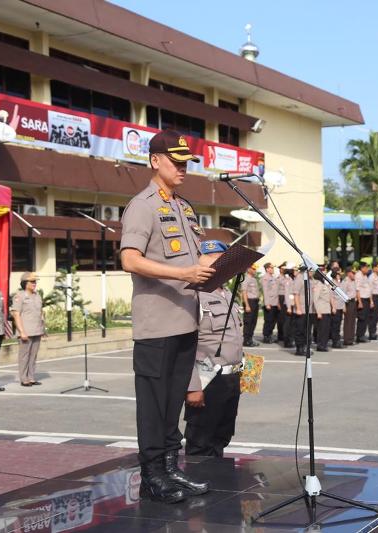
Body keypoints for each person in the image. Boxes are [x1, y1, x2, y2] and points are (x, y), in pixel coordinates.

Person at [120, 129, 213, 504]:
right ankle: (151, 476)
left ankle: (172, 468)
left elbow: (194, 261)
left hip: (185, 321)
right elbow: (130, 259)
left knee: (174, 402)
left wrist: (225, 263)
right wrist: (184, 274)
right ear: (155, 161)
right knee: (153, 405)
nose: (183, 169)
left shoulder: (184, 207)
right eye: (176, 162)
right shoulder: (142, 205)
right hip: (157, 325)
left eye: (186, 163)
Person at [184, 240, 244, 457]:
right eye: (209, 260)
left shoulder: (227, 294)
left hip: (231, 376)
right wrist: (192, 387)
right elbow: (186, 345)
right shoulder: (194, 295)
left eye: (220, 260)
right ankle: (199, 480)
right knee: (200, 439)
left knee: (222, 435)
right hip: (207, 378)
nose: (216, 266)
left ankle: (218, 484)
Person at [11, 272, 45, 387]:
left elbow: (40, 313)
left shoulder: (37, 296)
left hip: (37, 330)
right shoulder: (19, 296)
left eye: (35, 282)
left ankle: (31, 377)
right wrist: (21, 331)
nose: (34, 284)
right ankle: (24, 378)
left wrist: (43, 328)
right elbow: (16, 314)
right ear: (25, 283)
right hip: (26, 331)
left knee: (33, 356)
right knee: (24, 356)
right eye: (32, 282)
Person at [314, 266, 333, 352]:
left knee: (326, 329)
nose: (325, 273)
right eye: (323, 272)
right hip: (321, 311)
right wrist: (318, 312)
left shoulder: (324, 284)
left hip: (326, 310)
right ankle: (321, 345)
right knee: (322, 329)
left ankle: (324, 344)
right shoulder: (318, 284)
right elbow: (315, 299)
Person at [241, 264, 260, 347]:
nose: (255, 270)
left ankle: (250, 338)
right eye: (253, 269)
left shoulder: (253, 279)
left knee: (253, 321)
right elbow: (244, 292)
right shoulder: (246, 279)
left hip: (255, 301)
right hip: (249, 302)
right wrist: (247, 305)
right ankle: (246, 340)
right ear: (248, 269)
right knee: (248, 322)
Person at [260, 262, 279, 343]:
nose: (273, 269)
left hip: (274, 303)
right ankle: (266, 336)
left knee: (273, 321)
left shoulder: (273, 277)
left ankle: (270, 335)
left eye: (273, 267)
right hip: (269, 303)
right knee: (268, 321)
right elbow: (265, 291)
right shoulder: (265, 278)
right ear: (267, 269)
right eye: (271, 268)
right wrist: (267, 303)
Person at [355, 262, 372, 343]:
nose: (367, 269)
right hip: (362, 299)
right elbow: (357, 289)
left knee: (366, 318)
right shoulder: (358, 275)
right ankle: (359, 336)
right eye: (366, 268)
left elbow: (368, 288)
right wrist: (359, 302)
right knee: (362, 318)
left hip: (366, 299)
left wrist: (371, 300)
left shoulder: (365, 275)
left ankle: (362, 334)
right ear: (362, 268)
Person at [292, 265, 307, 355]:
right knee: (299, 330)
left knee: (304, 330)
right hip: (300, 309)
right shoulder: (299, 279)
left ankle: (303, 347)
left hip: (306, 309)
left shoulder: (305, 279)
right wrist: (298, 308)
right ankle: (299, 349)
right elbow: (296, 295)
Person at [368, 262, 378, 341]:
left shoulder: (377, 277)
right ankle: (372, 333)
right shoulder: (371, 277)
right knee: (373, 316)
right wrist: (371, 301)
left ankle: (374, 332)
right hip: (373, 297)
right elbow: (369, 290)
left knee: (377, 314)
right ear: (374, 268)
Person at [341, 268, 357, 346]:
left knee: (353, 321)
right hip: (348, 303)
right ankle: (347, 339)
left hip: (353, 302)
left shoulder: (353, 281)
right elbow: (342, 294)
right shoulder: (345, 282)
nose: (354, 274)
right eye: (353, 273)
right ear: (348, 273)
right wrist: (343, 306)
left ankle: (351, 338)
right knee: (348, 322)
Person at [330, 270, 345, 349]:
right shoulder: (332, 283)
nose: (340, 275)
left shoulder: (340, 283)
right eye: (339, 274)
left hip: (340, 307)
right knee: (335, 325)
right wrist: (333, 307)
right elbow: (331, 296)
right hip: (335, 307)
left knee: (338, 324)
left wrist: (344, 306)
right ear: (335, 275)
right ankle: (335, 342)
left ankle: (337, 340)